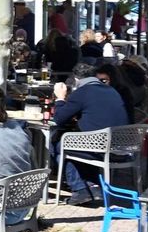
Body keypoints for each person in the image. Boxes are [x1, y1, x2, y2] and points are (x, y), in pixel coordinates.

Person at [51, 62, 130, 202]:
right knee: (79, 144)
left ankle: (80, 190)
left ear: (76, 80)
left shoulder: (81, 92)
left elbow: (59, 119)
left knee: (58, 144)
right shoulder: (111, 90)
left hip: (100, 148)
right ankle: (92, 186)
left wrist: (60, 98)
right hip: (121, 147)